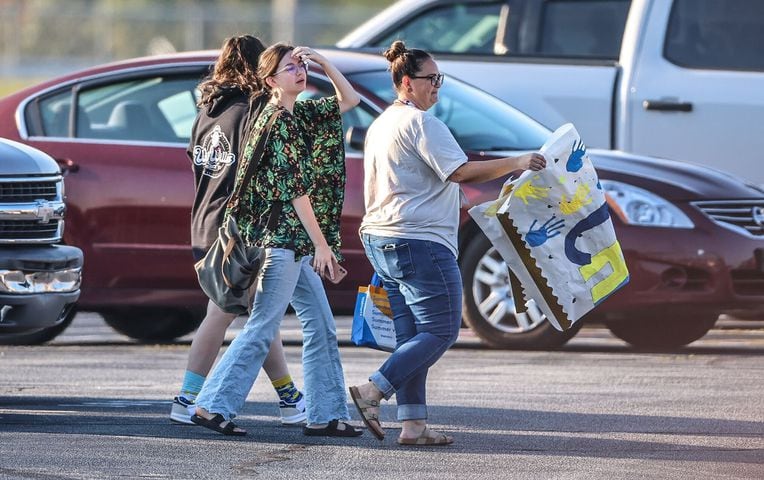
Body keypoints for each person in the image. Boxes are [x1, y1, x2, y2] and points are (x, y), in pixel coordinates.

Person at [348, 40, 546, 446]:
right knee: (440, 331)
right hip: (418, 241)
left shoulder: (383, 122)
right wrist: (519, 161)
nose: (437, 86)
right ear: (407, 83)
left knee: (412, 337)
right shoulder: (423, 124)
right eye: (430, 79)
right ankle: (372, 391)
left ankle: (413, 425)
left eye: (440, 78)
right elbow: (459, 172)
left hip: (381, 238)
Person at [190, 43, 363, 437]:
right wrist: (323, 245)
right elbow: (297, 192)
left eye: (301, 67)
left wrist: (322, 62)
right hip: (279, 241)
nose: (300, 73)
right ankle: (212, 405)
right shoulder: (275, 121)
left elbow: (348, 99)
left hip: (293, 243)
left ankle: (325, 415)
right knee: (263, 325)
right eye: (291, 68)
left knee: (319, 324)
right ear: (270, 80)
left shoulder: (296, 113)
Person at [171, 35, 306, 427]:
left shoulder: (205, 113)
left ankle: (289, 399)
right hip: (235, 231)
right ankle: (187, 398)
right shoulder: (254, 110)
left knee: (257, 316)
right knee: (226, 312)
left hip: (203, 226)